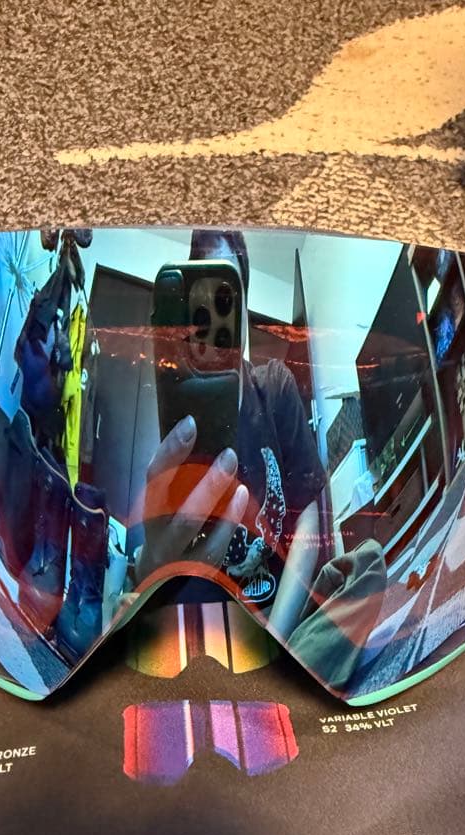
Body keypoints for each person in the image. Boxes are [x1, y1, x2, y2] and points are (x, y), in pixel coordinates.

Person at [133, 230, 326, 642]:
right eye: (199, 307)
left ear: (244, 303)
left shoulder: (274, 386)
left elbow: (307, 510)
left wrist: (276, 638)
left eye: (226, 297)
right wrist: (151, 566)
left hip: (278, 614)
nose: (213, 321)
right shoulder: (180, 406)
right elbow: (168, 553)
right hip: (203, 621)